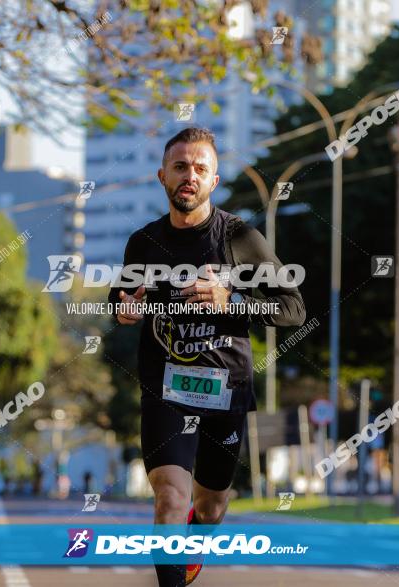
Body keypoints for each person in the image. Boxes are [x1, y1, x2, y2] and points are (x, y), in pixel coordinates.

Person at [108, 127, 306, 586]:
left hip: (225, 393)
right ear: (163, 176)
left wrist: (231, 300)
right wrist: (124, 309)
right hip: (166, 390)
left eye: (200, 168)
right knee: (170, 499)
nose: (189, 176)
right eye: (180, 167)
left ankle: (198, 533)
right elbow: (119, 297)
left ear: (214, 180)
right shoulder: (144, 243)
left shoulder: (241, 239)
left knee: (212, 504)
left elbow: (294, 308)